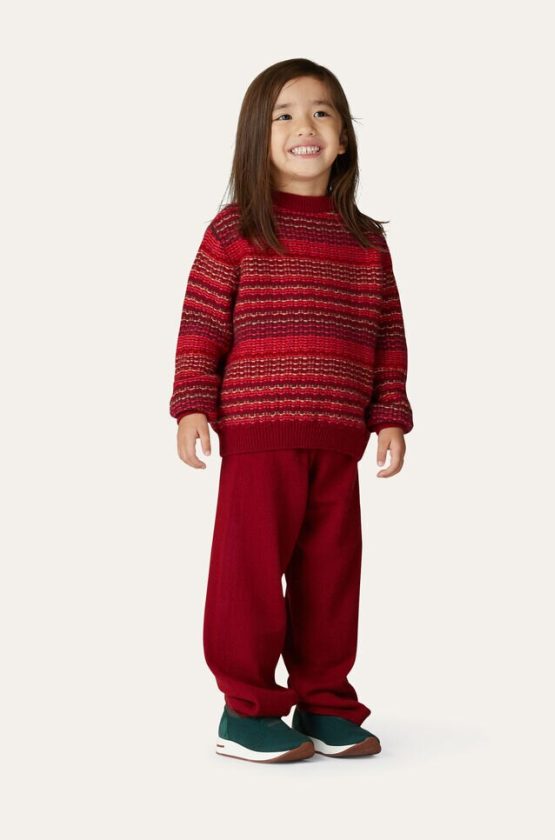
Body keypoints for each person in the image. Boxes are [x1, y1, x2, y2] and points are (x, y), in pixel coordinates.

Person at [169, 58, 414, 763]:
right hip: (258, 433)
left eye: (321, 112)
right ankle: (245, 708)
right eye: (284, 115)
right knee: (248, 577)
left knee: (329, 577)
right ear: (258, 136)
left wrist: (390, 414)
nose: (305, 126)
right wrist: (192, 405)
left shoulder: (365, 241)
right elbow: (202, 325)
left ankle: (325, 700)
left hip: (338, 435)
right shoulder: (236, 230)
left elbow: (387, 334)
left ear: (343, 139)